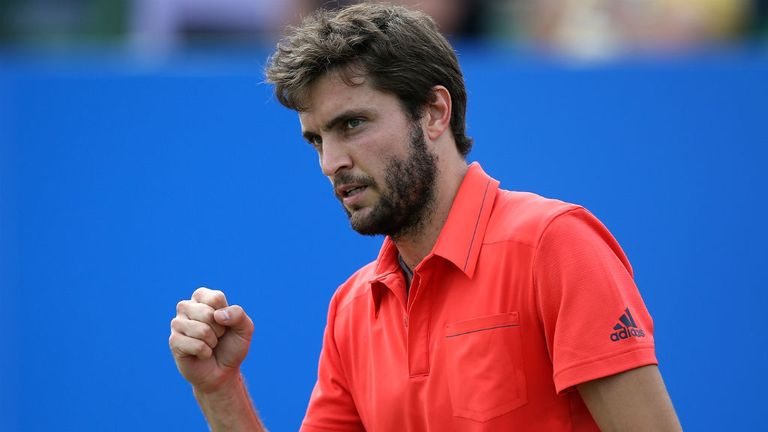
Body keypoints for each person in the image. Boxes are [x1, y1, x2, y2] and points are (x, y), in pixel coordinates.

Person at [169, 3, 682, 431]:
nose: (331, 162)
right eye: (317, 139)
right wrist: (220, 390)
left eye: (353, 123)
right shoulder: (351, 308)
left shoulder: (554, 243)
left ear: (435, 112)